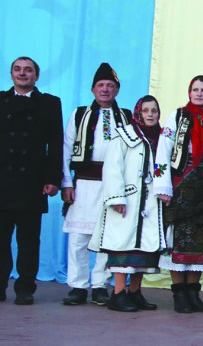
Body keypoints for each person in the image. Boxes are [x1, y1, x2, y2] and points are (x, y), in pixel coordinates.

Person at [90, 95, 172, 312]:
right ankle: (118, 294)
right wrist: (117, 198)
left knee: (144, 250)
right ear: (138, 113)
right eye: (146, 110)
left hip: (151, 204)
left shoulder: (162, 138)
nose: (150, 115)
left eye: (154, 110)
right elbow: (113, 168)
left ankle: (135, 293)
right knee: (123, 246)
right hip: (128, 201)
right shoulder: (124, 135)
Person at [61, 63, 131, 307]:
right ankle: (78, 286)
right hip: (84, 184)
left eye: (110, 85)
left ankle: (100, 285)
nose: (105, 89)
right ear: (92, 89)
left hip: (113, 187)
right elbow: (66, 150)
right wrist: (66, 183)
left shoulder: (126, 116)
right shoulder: (79, 114)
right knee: (78, 238)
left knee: (107, 237)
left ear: (117, 90)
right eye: (100, 85)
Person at [0, 57, 63, 305]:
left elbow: (55, 143)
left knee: (28, 241)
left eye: (28, 70)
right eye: (17, 69)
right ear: (11, 74)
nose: (22, 73)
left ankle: (25, 288)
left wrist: (53, 178)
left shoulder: (49, 103)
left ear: (36, 76)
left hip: (32, 181)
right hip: (2, 180)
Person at [162, 75, 203, 313]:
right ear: (189, 92)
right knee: (178, 239)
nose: (199, 93)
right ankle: (179, 295)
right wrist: (163, 186)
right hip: (181, 184)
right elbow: (164, 150)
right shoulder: (177, 116)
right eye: (195, 89)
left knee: (200, 240)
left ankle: (193, 294)